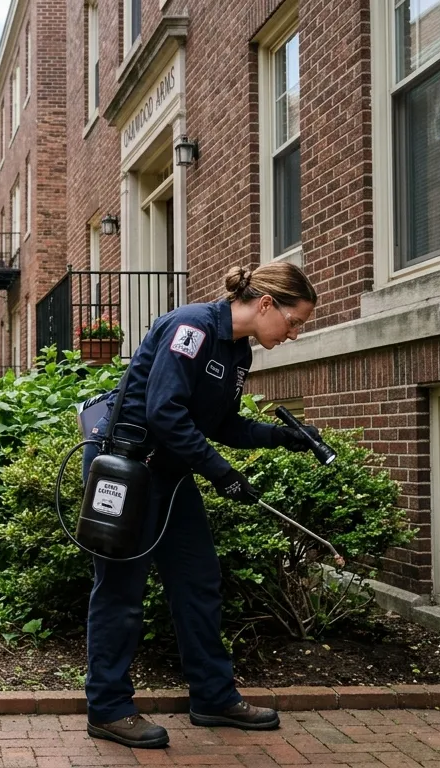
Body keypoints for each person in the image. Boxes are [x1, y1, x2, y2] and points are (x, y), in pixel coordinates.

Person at [82, 262, 322, 749]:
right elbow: (163, 412)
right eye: (295, 323)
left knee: (198, 580)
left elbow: (221, 425)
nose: (294, 334)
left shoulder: (236, 353)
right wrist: (221, 473)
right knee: (121, 592)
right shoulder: (190, 328)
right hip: (128, 469)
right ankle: (107, 708)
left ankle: (212, 697)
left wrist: (284, 438)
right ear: (267, 304)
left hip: (168, 472)